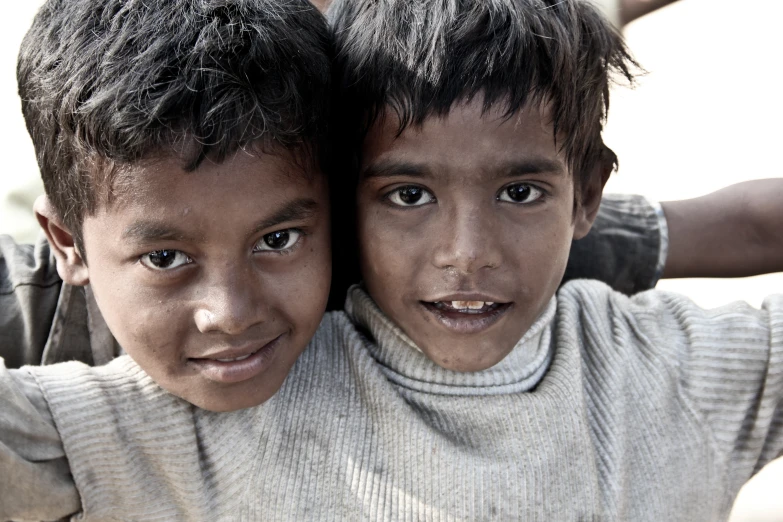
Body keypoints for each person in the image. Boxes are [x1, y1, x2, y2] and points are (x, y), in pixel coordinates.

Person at [1, 1, 781, 521]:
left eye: (519, 193)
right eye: (407, 196)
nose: (465, 254)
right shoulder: (141, 417)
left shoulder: (669, 366)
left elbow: (734, 223)